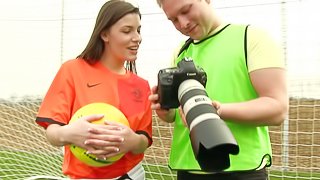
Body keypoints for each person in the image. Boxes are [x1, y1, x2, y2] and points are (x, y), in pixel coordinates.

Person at [149, 0, 288, 179]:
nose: (183, 23)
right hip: (188, 169)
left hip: (242, 170)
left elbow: (277, 109)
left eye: (186, 10)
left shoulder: (251, 38)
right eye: (173, 19)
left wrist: (217, 111)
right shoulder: (180, 52)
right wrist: (165, 112)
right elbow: (178, 115)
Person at [35, 0, 152, 179]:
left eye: (138, 30)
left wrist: (131, 141)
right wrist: (70, 133)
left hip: (131, 175)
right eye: (127, 31)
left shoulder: (140, 86)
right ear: (104, 34)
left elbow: (143, 140)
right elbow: (53, 133)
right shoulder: (73, 70)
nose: (137, 37)